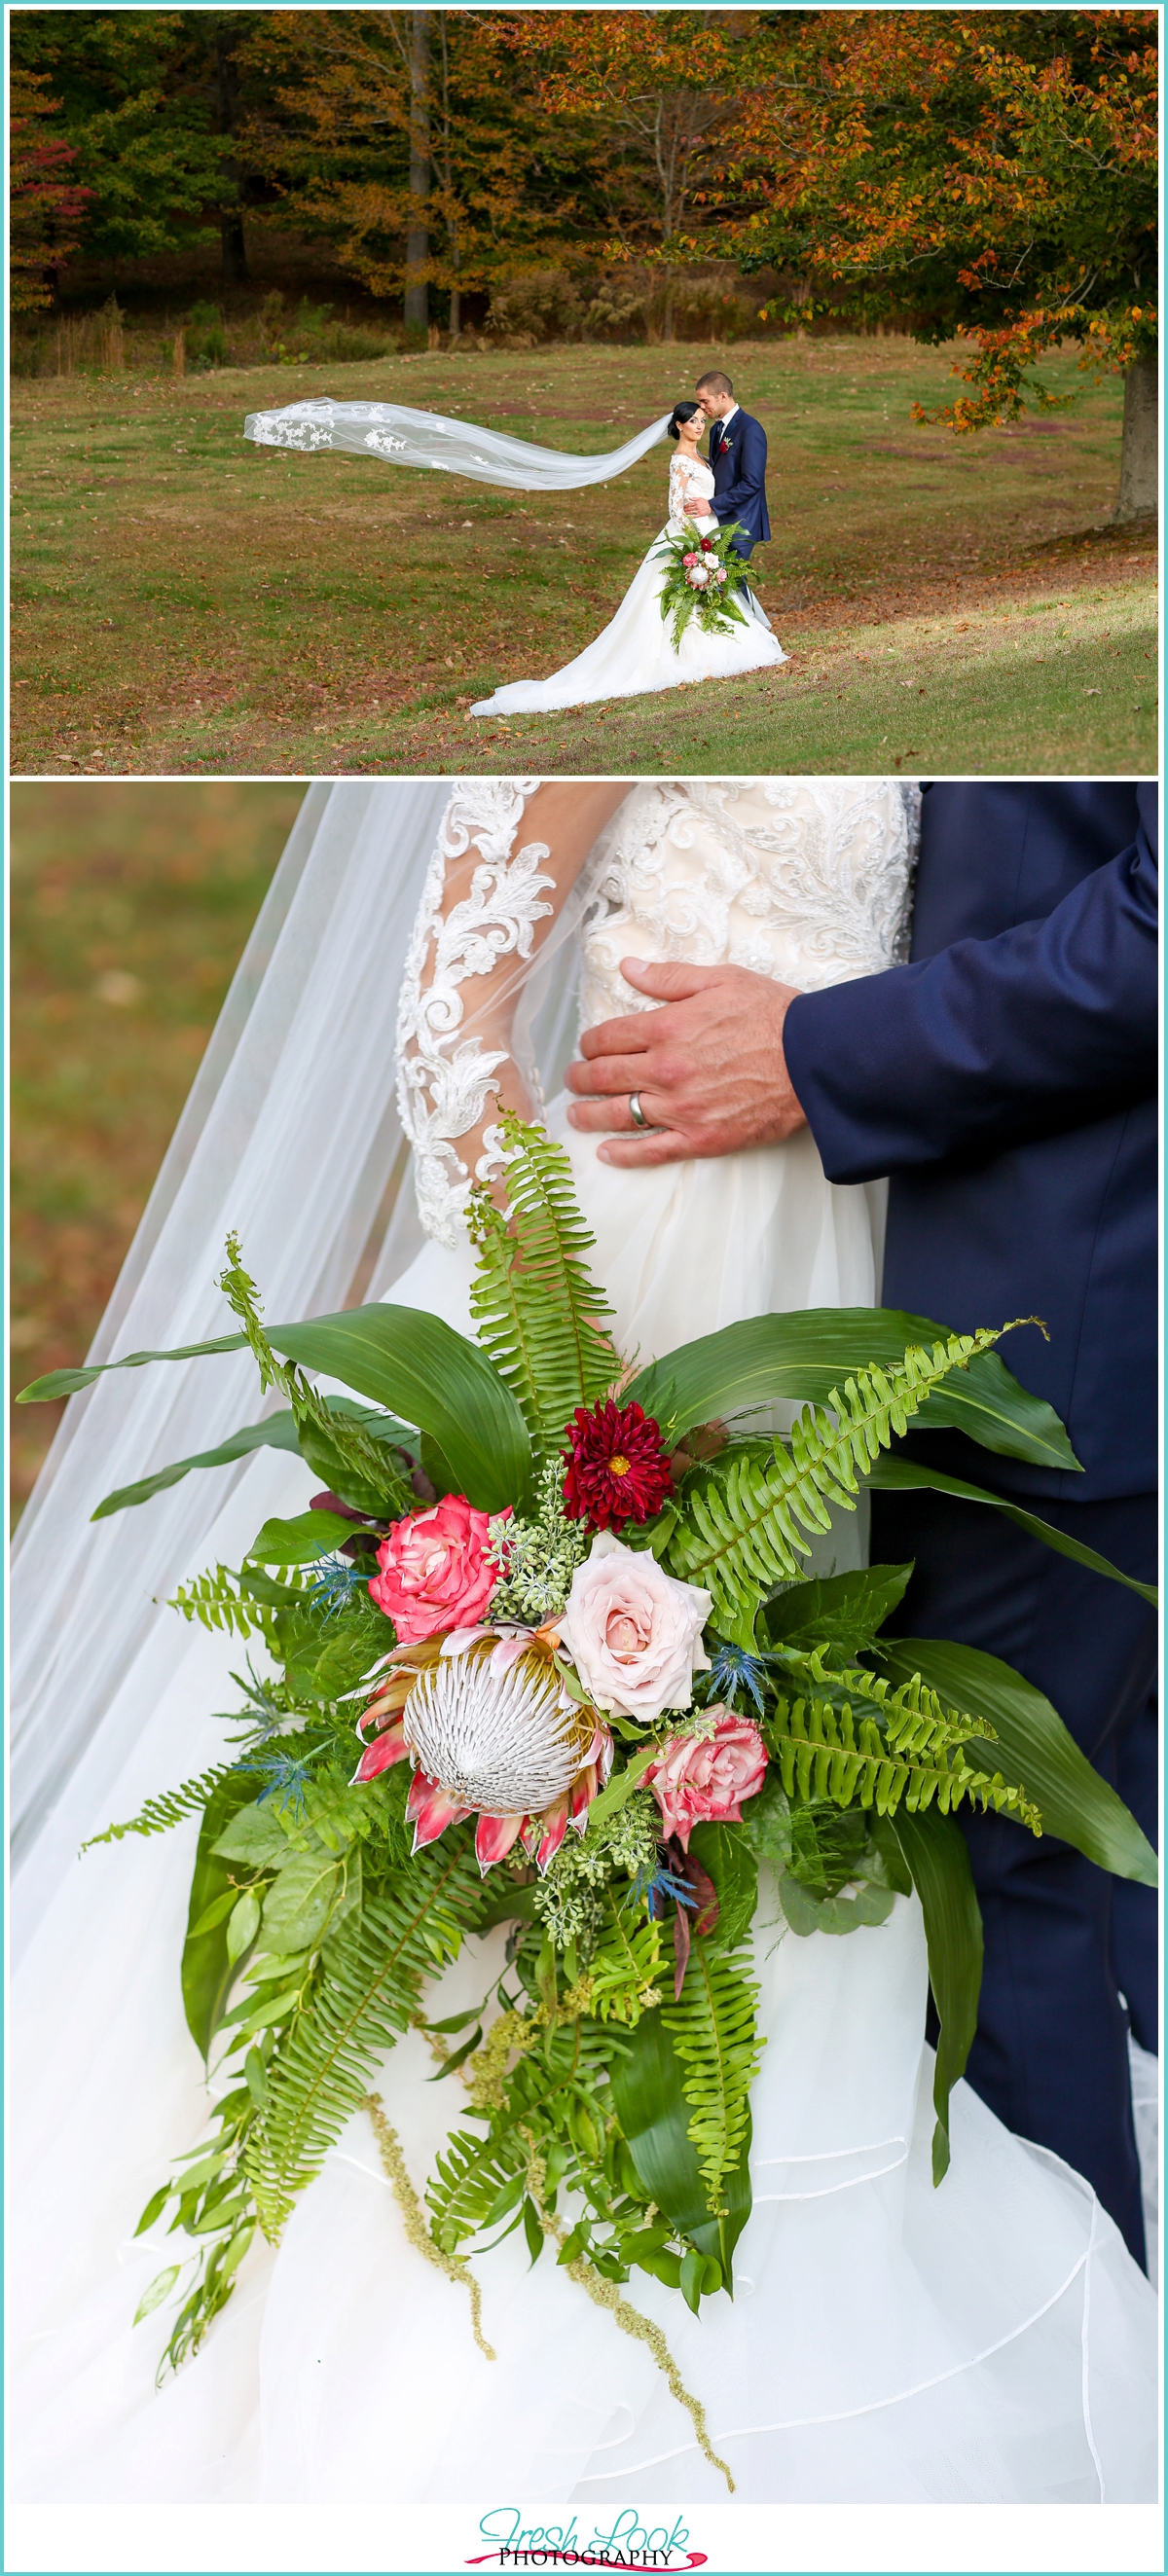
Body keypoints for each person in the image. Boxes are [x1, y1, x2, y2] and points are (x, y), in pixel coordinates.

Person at [10, 778, 1156, 2514]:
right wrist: (549, 1369)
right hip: (634, 1285)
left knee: (841, 1893)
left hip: (862, 1301)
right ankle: (492, 2343)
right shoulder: (665, 609)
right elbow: (456, 1003)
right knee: (506, 1857)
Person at [566, 780, 1158, 2271]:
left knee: (999, 1900)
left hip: (1031, 1300)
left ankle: (1062, 2448)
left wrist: (811, 1053)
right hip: (715, 1290)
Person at [467, 405, 785, 719]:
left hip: (708, 531)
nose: (700, 426)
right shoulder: (679, 461)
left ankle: (717, 646)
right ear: (679, 425)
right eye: (693, 421)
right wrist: (695, 546)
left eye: (702, 420)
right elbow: (676, 509)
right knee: (678, 597)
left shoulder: (702, 456)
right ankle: (680, 655)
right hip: (691, 535)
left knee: (707, 593)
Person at [694, 370, 771, 579]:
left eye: (705, 401)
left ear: (722, 396)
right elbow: (723, 467)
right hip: (720, 521)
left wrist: (712, 505)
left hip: (741, 522)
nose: (702, 407)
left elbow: (751, 483)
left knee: (732, 586)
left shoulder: (750, 430)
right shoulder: (715, 430)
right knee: (721, 587)